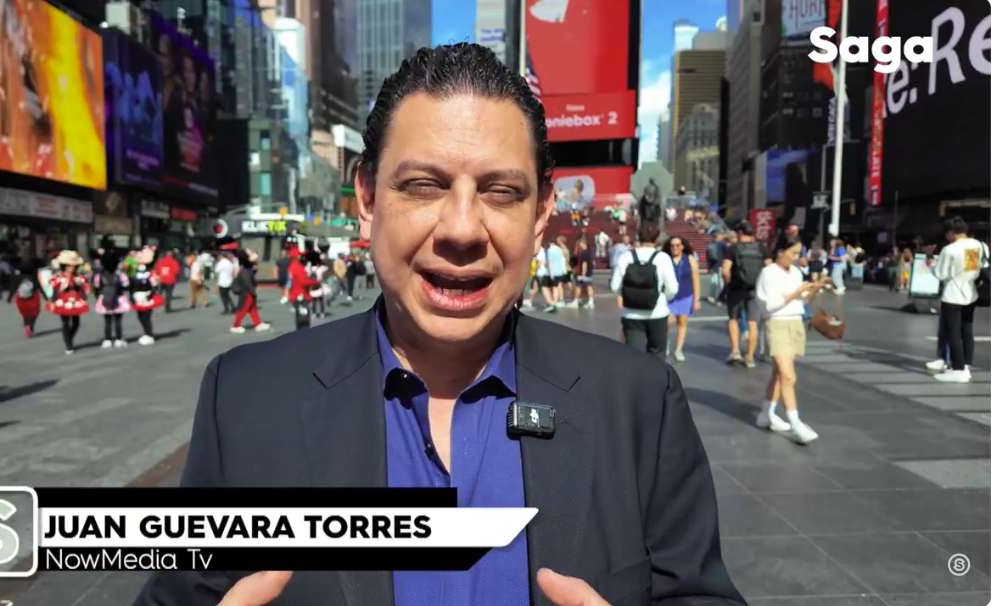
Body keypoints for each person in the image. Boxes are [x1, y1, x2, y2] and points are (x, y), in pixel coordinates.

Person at [134, 42, 742, 606]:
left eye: (501, 192)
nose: (460, 229)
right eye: (423, 186)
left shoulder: (638, 402)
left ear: (540, 215)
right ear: (368, 199)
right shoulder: (244, 398)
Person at [755, 233, 829, 444]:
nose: (797, 257)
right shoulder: (768, 273)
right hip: (777, 323)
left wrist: (815, 287)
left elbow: (803, 300)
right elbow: (769, 305)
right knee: (788, 376)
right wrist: (797, 291)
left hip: (795, 322)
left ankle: (766, 412)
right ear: (780, 252)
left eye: (799, 253)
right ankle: (795, 421)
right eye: (793, 252)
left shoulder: (795, 272)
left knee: (780, 373)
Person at [926, 217, 988, 383]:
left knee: (952, 332)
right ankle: (966, 364)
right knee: (966, 330)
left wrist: (932, 265)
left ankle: (958, 369)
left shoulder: (950, 249)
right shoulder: (980, 245)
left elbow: (941, 274)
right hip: (972, 292)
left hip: (953, 294)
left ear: (951, 233)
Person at [610, 222, 679, 358]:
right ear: (657, 238)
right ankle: (656, 379)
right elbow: (672, 288)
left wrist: (626, 294)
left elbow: (614, 285)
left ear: (638, 237)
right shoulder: (662, 258)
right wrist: (663, 299)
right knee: (657, 353)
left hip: (631, 313)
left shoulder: (626, 257)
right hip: (657, 313)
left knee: (635, 356)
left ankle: (639, 379)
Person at [722, 221, 770, 368]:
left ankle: (735, 351)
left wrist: (728, 283)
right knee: (753, 323)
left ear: (740, 233)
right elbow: (769, 269)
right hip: (756, 289)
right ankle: (749, 357)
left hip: (736, 288)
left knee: (733, 319)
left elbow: (725, 271)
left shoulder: (732, 249)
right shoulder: (762, 248)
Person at [47, 251, 91, 355]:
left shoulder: (78, 278)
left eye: (74, 266)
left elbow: (82, 289)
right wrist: (53, 301)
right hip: (63, 300)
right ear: (65, 266)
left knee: (76, 323)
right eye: (69, 266)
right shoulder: (59, 278)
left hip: (75, 300)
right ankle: (68, 345)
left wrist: (84, 299)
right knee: (65, 323)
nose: (72, 268)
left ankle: (69, 338)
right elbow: (55, 290)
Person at [666, 236, 701, 362]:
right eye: (672, 245)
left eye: (677, 245)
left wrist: (696, 299)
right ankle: (666, 344)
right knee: (666, 322)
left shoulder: (690, 259)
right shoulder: (666, 259)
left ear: (682, 246)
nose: (675, 248)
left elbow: (696, 279)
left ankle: (678, 349)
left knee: (682, 322)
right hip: (668, 297)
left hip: (685, 295)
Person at [93, 254, 131, 348]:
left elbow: (97, 288)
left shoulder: (99, 276)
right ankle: (118, 338)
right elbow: (126, 286)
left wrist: (98, 297)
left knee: (107, 321)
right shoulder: (120, 275)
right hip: (118, 298)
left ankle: (107, 339)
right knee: (118, 320)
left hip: (105, 297)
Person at [229, 250, 271, 334]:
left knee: (252, 308)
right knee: (243, 309)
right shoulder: (245, 269)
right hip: (246, 292)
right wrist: (253, 290)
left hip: (248, 291)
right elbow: (247, 282)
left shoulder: (247, 267)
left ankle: (258, 323)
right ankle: (235, 325)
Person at [131, 247, 165, 346]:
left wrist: (150, 295)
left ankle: (149, 334)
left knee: (146, 316)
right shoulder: (134, 274)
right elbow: (131, 285)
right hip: (138, 296)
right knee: (140, 316)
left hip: (146, 295)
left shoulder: (150, 274)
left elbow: (154, 285)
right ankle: (146, 332)